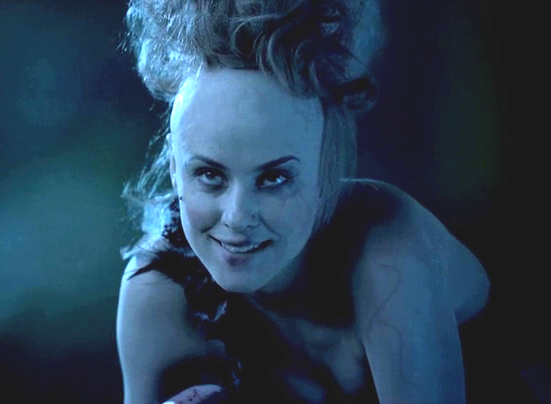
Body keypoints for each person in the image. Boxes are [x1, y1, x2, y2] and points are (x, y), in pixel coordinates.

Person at [115, 0, 491, 403]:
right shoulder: (156, 294)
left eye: (274, 178)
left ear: (327, 168)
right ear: (175, 170)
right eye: (210, 175)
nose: (237, 217)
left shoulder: (390, 256)